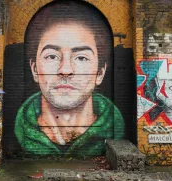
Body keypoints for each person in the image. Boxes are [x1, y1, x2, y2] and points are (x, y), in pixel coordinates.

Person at [14, 0, 125, 156]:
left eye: (81, 58)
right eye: (52, 56)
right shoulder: (16, 136)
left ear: (100, 73)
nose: (65, 70)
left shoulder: (116, 129)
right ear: (34, 70)